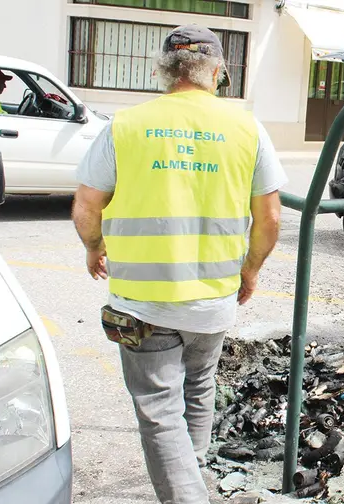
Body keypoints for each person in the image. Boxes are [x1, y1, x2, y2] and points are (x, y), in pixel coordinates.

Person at [72, 24, 288, 503]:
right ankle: (196, 483)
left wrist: (94, 246)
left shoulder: (126, 125)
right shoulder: (247, 128)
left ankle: (187, 496)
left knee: (158, 410)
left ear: (162, 72)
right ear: (219, 72)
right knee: (198, 390)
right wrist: (249, 270)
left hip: (142, 303)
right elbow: (270, 218)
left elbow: (87, 207)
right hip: (212, 300)